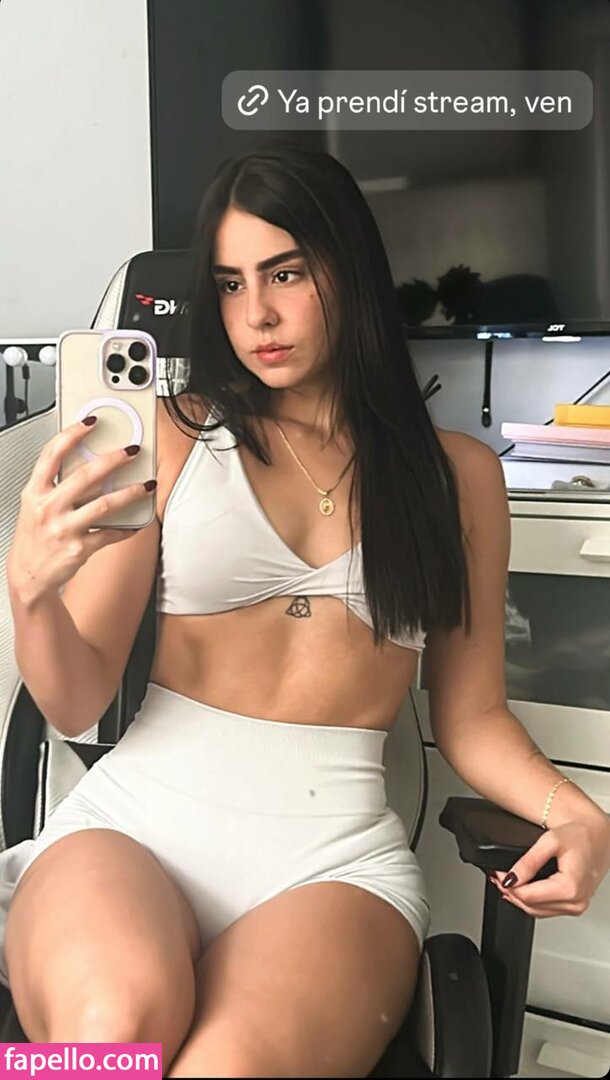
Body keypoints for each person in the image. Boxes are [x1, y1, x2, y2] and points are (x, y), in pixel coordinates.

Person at [4, 143, 610, 1078]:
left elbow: (473, 717)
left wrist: (581, 815)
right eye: (231, 283)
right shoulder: (172, 435)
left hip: (331, 862)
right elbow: (76, 702)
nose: (257, 314)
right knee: (111, 1038)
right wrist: (31, 591)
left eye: (285, 273)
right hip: (131, 827)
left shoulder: (457, 478)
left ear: (349, 270)